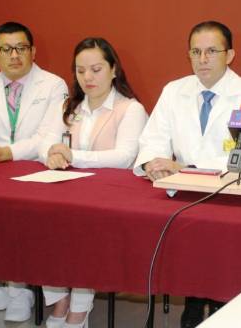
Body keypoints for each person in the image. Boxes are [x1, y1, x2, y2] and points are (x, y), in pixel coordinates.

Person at [134, 20, 241, 328]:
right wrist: (154, 163)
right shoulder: (174, 91)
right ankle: (193, 302)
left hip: (229, 197)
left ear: (229, 55)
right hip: (180, 196)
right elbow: (152, 139)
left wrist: (190, 169)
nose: (202, 59)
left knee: (220, 251)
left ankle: (219, 305)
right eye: (195, 52)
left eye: (211, 51)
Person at [0, 21, 69, 322]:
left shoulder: (54, 85)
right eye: (6, 49)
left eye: (21, 48)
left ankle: (19, 291)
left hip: (33, 172)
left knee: (20, 223)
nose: (14, 55)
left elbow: (48, 137)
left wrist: (4, 153)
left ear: (33, 51)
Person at [38, 37, 148, 328]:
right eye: (80, 70)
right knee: (42, 221)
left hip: (109, 200)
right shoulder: (67, 106)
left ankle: (80, 307)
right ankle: (59, 299)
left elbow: (125, 157)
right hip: (67, 194)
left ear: (114, 70)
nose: (88, 77)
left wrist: (73, 156)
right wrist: (51, 153)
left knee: (83, 231)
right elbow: (44, 142)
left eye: (96, 69)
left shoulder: (130, 109)